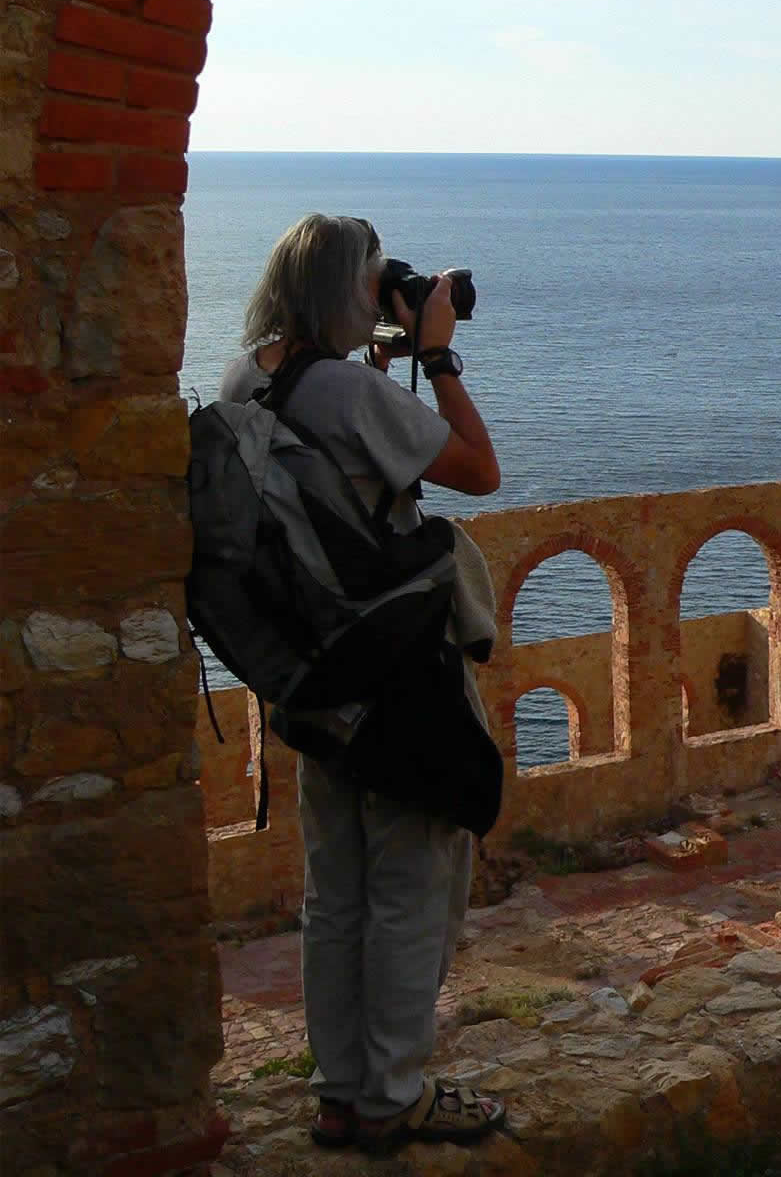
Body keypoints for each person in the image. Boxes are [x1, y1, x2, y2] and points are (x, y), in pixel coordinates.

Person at [221, 213, 505, 1153]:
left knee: (335, 892)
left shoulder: (247, 376)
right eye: (376, 279)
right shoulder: (350, 391)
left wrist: (379, 360)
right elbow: (478, 470)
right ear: (350, 289)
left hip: (310, 676)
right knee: (411, 887)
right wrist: (439, 356)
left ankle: (341, 1092)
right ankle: (395, 1098)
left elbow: (333, 479)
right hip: (391, 672)